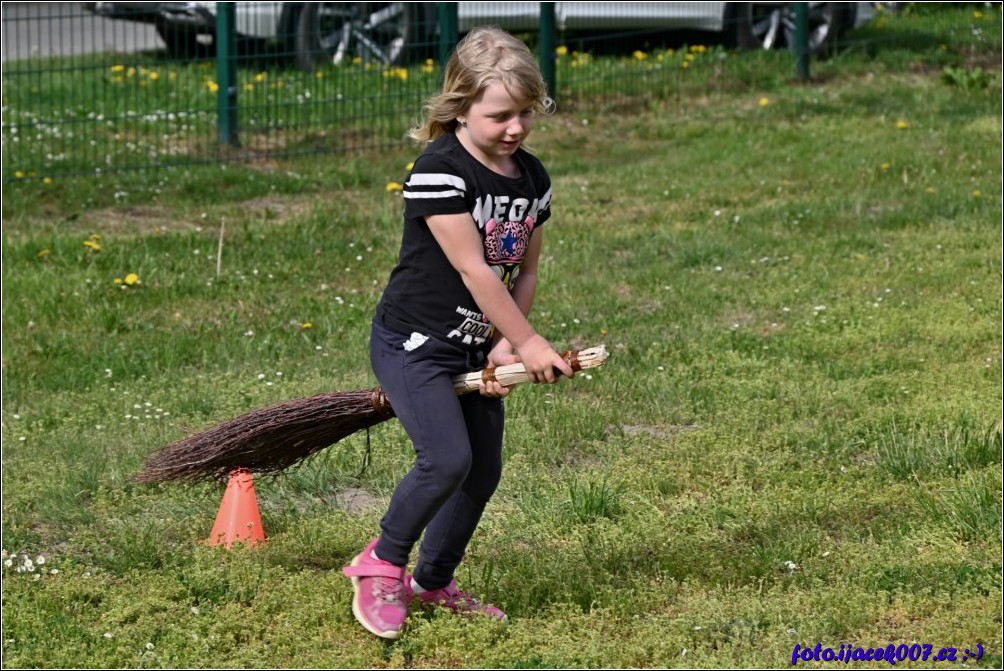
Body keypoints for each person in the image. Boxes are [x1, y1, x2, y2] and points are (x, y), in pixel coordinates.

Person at [341, 26, 575, 640]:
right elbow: (474, 270)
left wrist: (502, 342)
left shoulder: (531, 177)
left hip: (476, 342)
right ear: (460, 107)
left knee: (482, 470)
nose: (516, 127)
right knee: (446, 458)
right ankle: (382, 562)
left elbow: (522, 269)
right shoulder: (439, 171)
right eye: (500, 114)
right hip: (414, 343)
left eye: (527, 112)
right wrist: (527, 343)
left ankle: (432, 581)